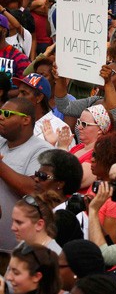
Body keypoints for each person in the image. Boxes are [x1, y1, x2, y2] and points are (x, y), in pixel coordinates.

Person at [0, 97, 53, 252]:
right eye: (1, 112)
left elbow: (32, 188)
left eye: (7, 113)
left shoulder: (42, 150)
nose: (1, 116)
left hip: (15, 249)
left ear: (25, 120)